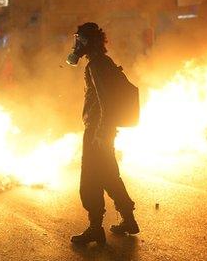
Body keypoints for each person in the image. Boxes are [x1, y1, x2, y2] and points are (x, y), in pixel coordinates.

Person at [67, 22, 139, 246]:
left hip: (98, 130)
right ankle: (128, 220)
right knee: (109, 174)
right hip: (104, 129)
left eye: (79, 39)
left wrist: (100, 133)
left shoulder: (96, 66)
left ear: (87, 41)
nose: (76, 44)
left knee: (90, 179)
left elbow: (105, 100)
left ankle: (95, 229)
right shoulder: (102, 62)